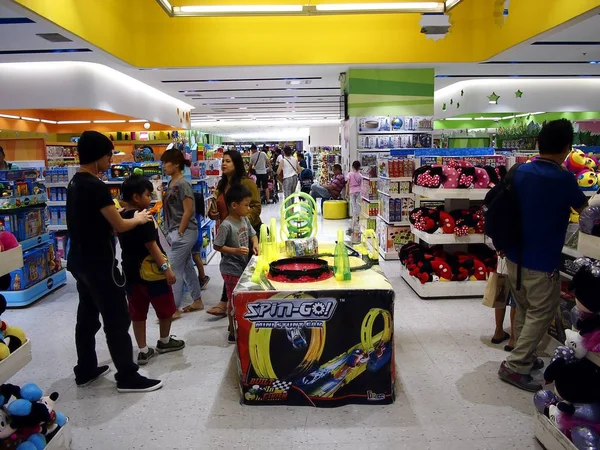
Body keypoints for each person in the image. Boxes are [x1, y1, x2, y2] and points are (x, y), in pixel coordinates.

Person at [67, 131, 162, 393]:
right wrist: (139, 219)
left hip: (79, 260)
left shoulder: (75, 183)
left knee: (87, 317)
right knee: (117, 319)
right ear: (99, 156)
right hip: (100, 263)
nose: (111, 161)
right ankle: (127, 376)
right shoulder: (95, 185)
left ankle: (85, 369)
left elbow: (89, 219)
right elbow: (120, 225)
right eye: (109, 155)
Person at [498, 119, 588, 392]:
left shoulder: (520, 172)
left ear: (538, 142)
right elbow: (584, 210)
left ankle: (524, 358)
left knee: (524, 307)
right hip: (542, 259)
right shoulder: (563, 179)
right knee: (542, 311)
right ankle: (515, 365)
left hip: (514, 256)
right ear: (566, 148)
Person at [118, 176, 185, 366]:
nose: (151, 197)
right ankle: (164, 341)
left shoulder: (120, 217)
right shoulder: (144, 217)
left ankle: (143, 349)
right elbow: (152, 246)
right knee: (165, 308)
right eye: (147, 194)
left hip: (130, 273)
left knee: (137, 311)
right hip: (153, 273)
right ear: (136, 197)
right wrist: (166, 270)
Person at [206, 150, 261, 318]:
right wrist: (212, 213)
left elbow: (256, 207)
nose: (223, 164)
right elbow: (217, 207)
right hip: (227, 232)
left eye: (228, 161)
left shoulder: (247, 183)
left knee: (243, 269)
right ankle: (229, 303)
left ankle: (236, 304)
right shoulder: (222, 184)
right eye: (223, 161)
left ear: (236, 164)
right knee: (231, 268)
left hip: (246, 231)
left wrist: (242, 221)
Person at [213, 184, 258, 343]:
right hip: (230, 269)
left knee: (240, 297)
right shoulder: (226, 225)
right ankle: (232, 330)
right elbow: (217, 245)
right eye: (246, 205)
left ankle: (238, 322)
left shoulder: (244, 219)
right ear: (234, 205)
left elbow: (253, 234)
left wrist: (255, 244)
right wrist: (235, 251)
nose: (249, 208)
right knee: (233, 300)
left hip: (242, 267)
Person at [161, 149, 204, 315]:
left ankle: (174, 309)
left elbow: (188, 211)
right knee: (186, 267)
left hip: (185, 232)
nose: (163, 166)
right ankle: (197, 300)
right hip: (176, 231)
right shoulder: (171, 183)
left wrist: (178, 232)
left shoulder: (183, 184)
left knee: (174, 270)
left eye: (166, 162)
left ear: (176, 164)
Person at [346, 160, 363, 244]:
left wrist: (346, 193)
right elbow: (360, 184)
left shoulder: (350, 174)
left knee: (353, 206)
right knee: (358, 205)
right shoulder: (360, 175)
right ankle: (357, 217)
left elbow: (348, 184)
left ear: (352, 166)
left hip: (352, 191)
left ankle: (355, 218)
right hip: (358, 191)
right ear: (359, 167)